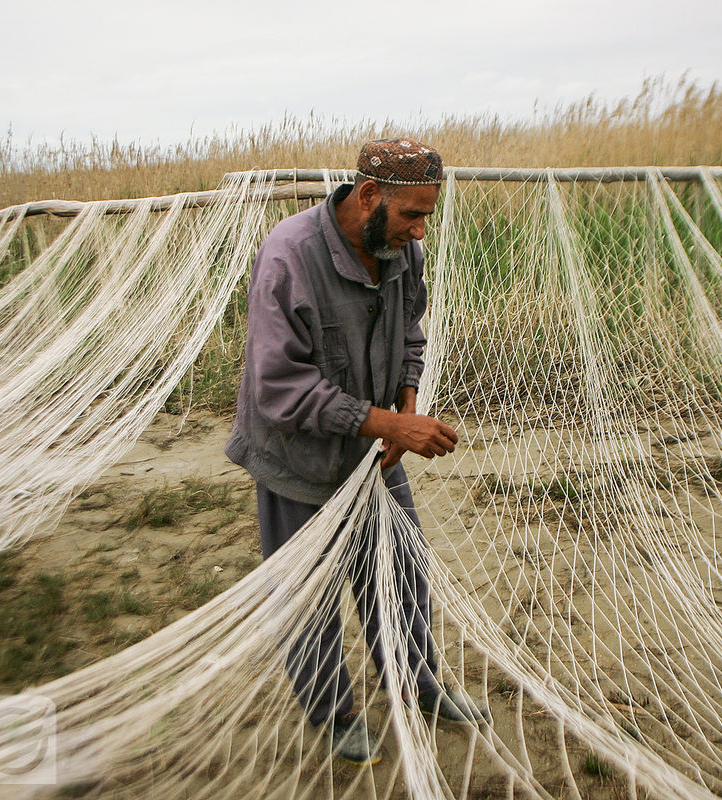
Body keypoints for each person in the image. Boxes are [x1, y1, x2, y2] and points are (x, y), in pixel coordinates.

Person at [225, 138, 488, 764]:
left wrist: (406, 406)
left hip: (375, 450)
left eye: (428, 214)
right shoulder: (289, 256)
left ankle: (418, 682)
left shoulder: (400, 250)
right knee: (309, 592)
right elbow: (278, 387)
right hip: (298, 457)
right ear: (368, 196)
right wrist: (386, 426)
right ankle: (332, 710)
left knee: (400, 570)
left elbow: (409, 330)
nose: (421, 229)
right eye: (412, 214)